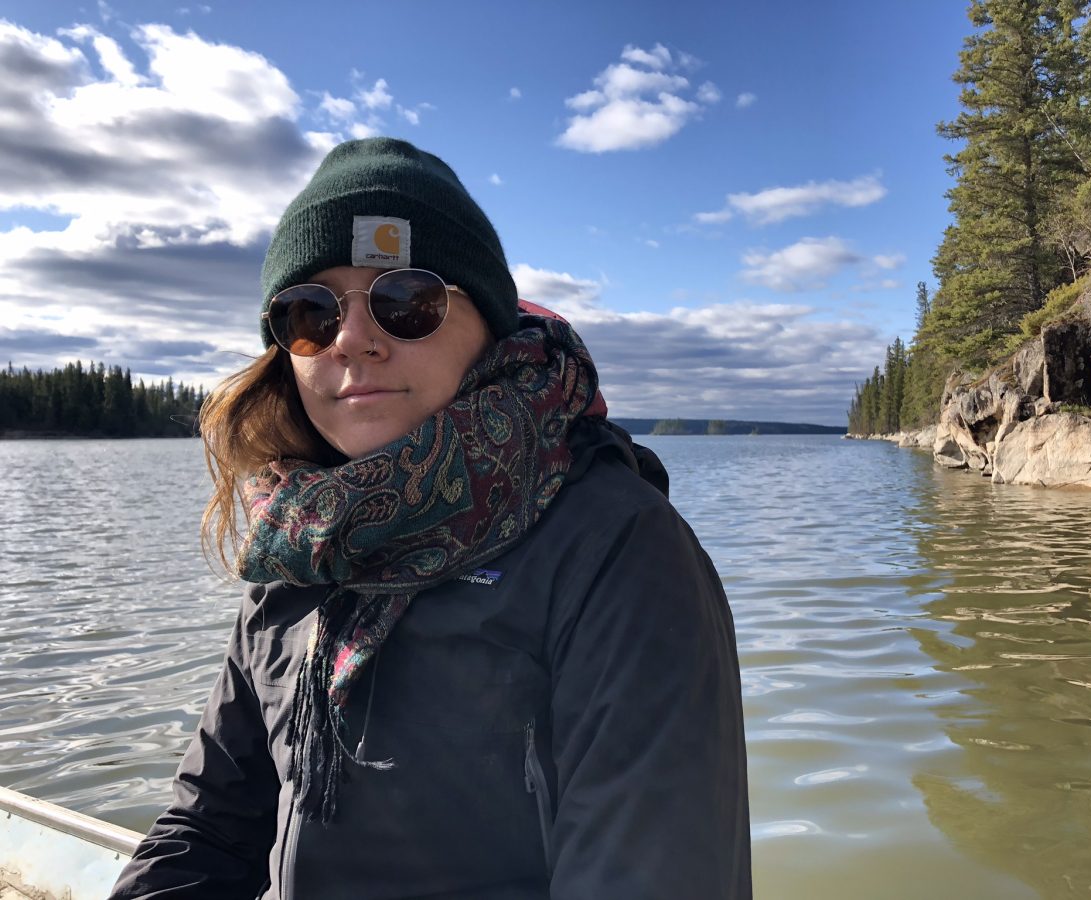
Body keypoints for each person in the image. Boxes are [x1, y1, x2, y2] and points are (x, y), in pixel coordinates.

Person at [109, 137, 751, 900]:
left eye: (406, 301)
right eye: (309, 311)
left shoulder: (618, 548)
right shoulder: (301, 540)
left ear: (487, 325)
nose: (353, 339)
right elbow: (208, 828)